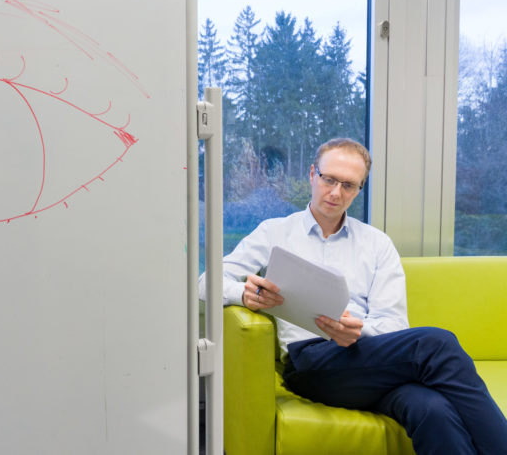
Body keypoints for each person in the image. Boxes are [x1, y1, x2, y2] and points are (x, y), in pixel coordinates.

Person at [200, 137, 507, 454]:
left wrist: (359, 330)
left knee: (431, 408)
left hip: (369, 359)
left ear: (359, 190)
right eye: (329, 179)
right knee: (437, 343)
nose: (335, 192)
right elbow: (205, 282)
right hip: (311, 365)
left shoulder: (377, 244)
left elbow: (394, 324)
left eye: (348, 185)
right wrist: (244, 294)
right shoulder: (274, 231)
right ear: (312, 175)